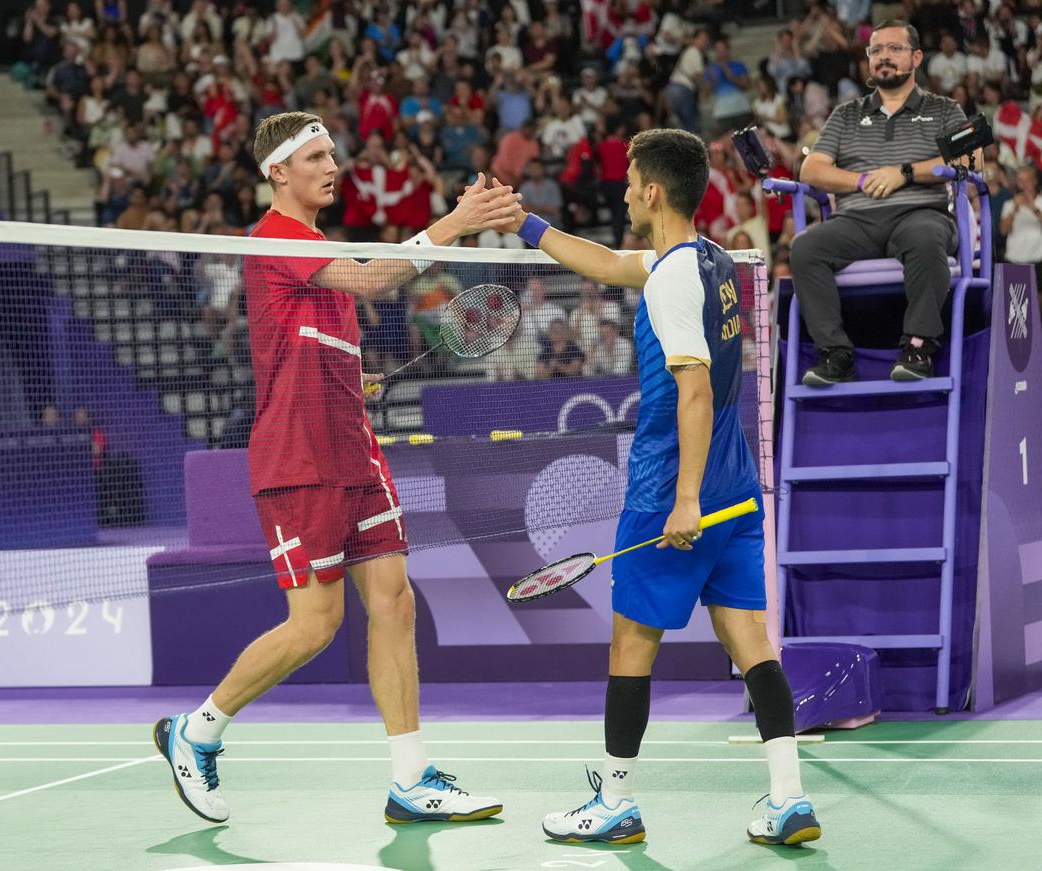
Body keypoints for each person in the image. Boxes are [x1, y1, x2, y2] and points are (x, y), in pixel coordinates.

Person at [153, 111, 518, 826]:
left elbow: (326, 334)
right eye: (315, 156)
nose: (332, 165)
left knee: (394, 601)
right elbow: (375, 278)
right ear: (278, 172)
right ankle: (195, 731)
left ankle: (411, 778)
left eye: (333, 153)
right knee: (316, 624)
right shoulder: (276, 238)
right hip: (299, 459)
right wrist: (456, 221)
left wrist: (354, 380)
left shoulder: (318, 245)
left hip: (354, 448)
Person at [496, 127, 821, 847]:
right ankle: (789, 797)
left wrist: (683, 499)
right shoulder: (708, 261)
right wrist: (522, 222)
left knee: (630, 646)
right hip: (735, 482)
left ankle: (616, 803)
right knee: (751, 641)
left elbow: (695, 390)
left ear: (651, 190)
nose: (619, 190)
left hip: (675, 481)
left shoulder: (673, 277)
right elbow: (612, 263)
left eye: (628, 179)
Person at [790, 20, 970, 386]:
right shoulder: (846, 114)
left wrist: (903, 172)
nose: (883, 57)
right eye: (876, 51)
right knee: (805, 247)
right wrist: (860, 180)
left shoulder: (945, 109)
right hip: (856, 221)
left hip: (921, 214)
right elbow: (811, 169)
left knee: (925, 238)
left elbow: (966, 161)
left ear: (916, 57)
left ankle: (918, 347)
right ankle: (836, 354)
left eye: (895, 48)